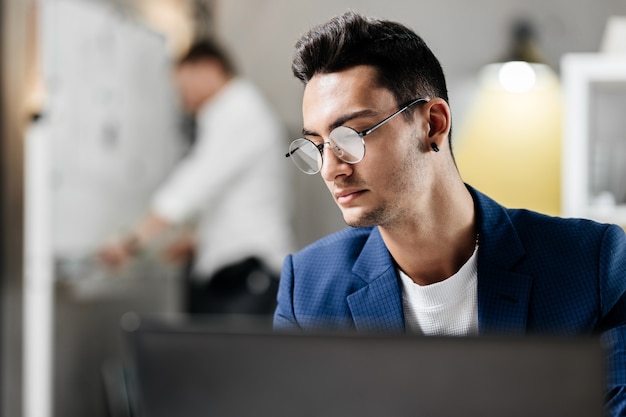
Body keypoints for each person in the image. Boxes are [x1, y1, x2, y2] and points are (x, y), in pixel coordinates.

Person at [274, 11, 626, 416]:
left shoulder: (590, 265)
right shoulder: (309, 291)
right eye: (316, 145)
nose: (331, 168)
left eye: (350, 136)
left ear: (433, 125)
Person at [101, 39, 294, 315]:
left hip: (248, 279)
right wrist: (197, 240)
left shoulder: (240, 112)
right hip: (239, 277)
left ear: (209, 69)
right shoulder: (229, 114)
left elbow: (193, 185)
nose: (182, 101)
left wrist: (131, 241)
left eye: (183, 87)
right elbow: (230, 196)